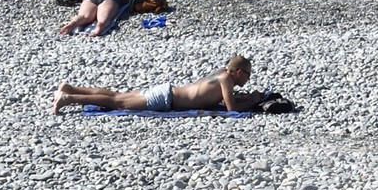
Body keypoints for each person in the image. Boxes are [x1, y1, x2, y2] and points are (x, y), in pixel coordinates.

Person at [54, 54, 262, 115]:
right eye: (248, 75)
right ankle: (69, 99)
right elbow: (230, 108)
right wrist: (252, 101)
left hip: (167, 91)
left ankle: (71, 88)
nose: (248, 79)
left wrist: (245, 97)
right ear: (238, 72)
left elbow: (225, 99)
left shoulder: (221, 74)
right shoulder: (227, 79)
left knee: (118, 95)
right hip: (165, 99)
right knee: (119, 102)